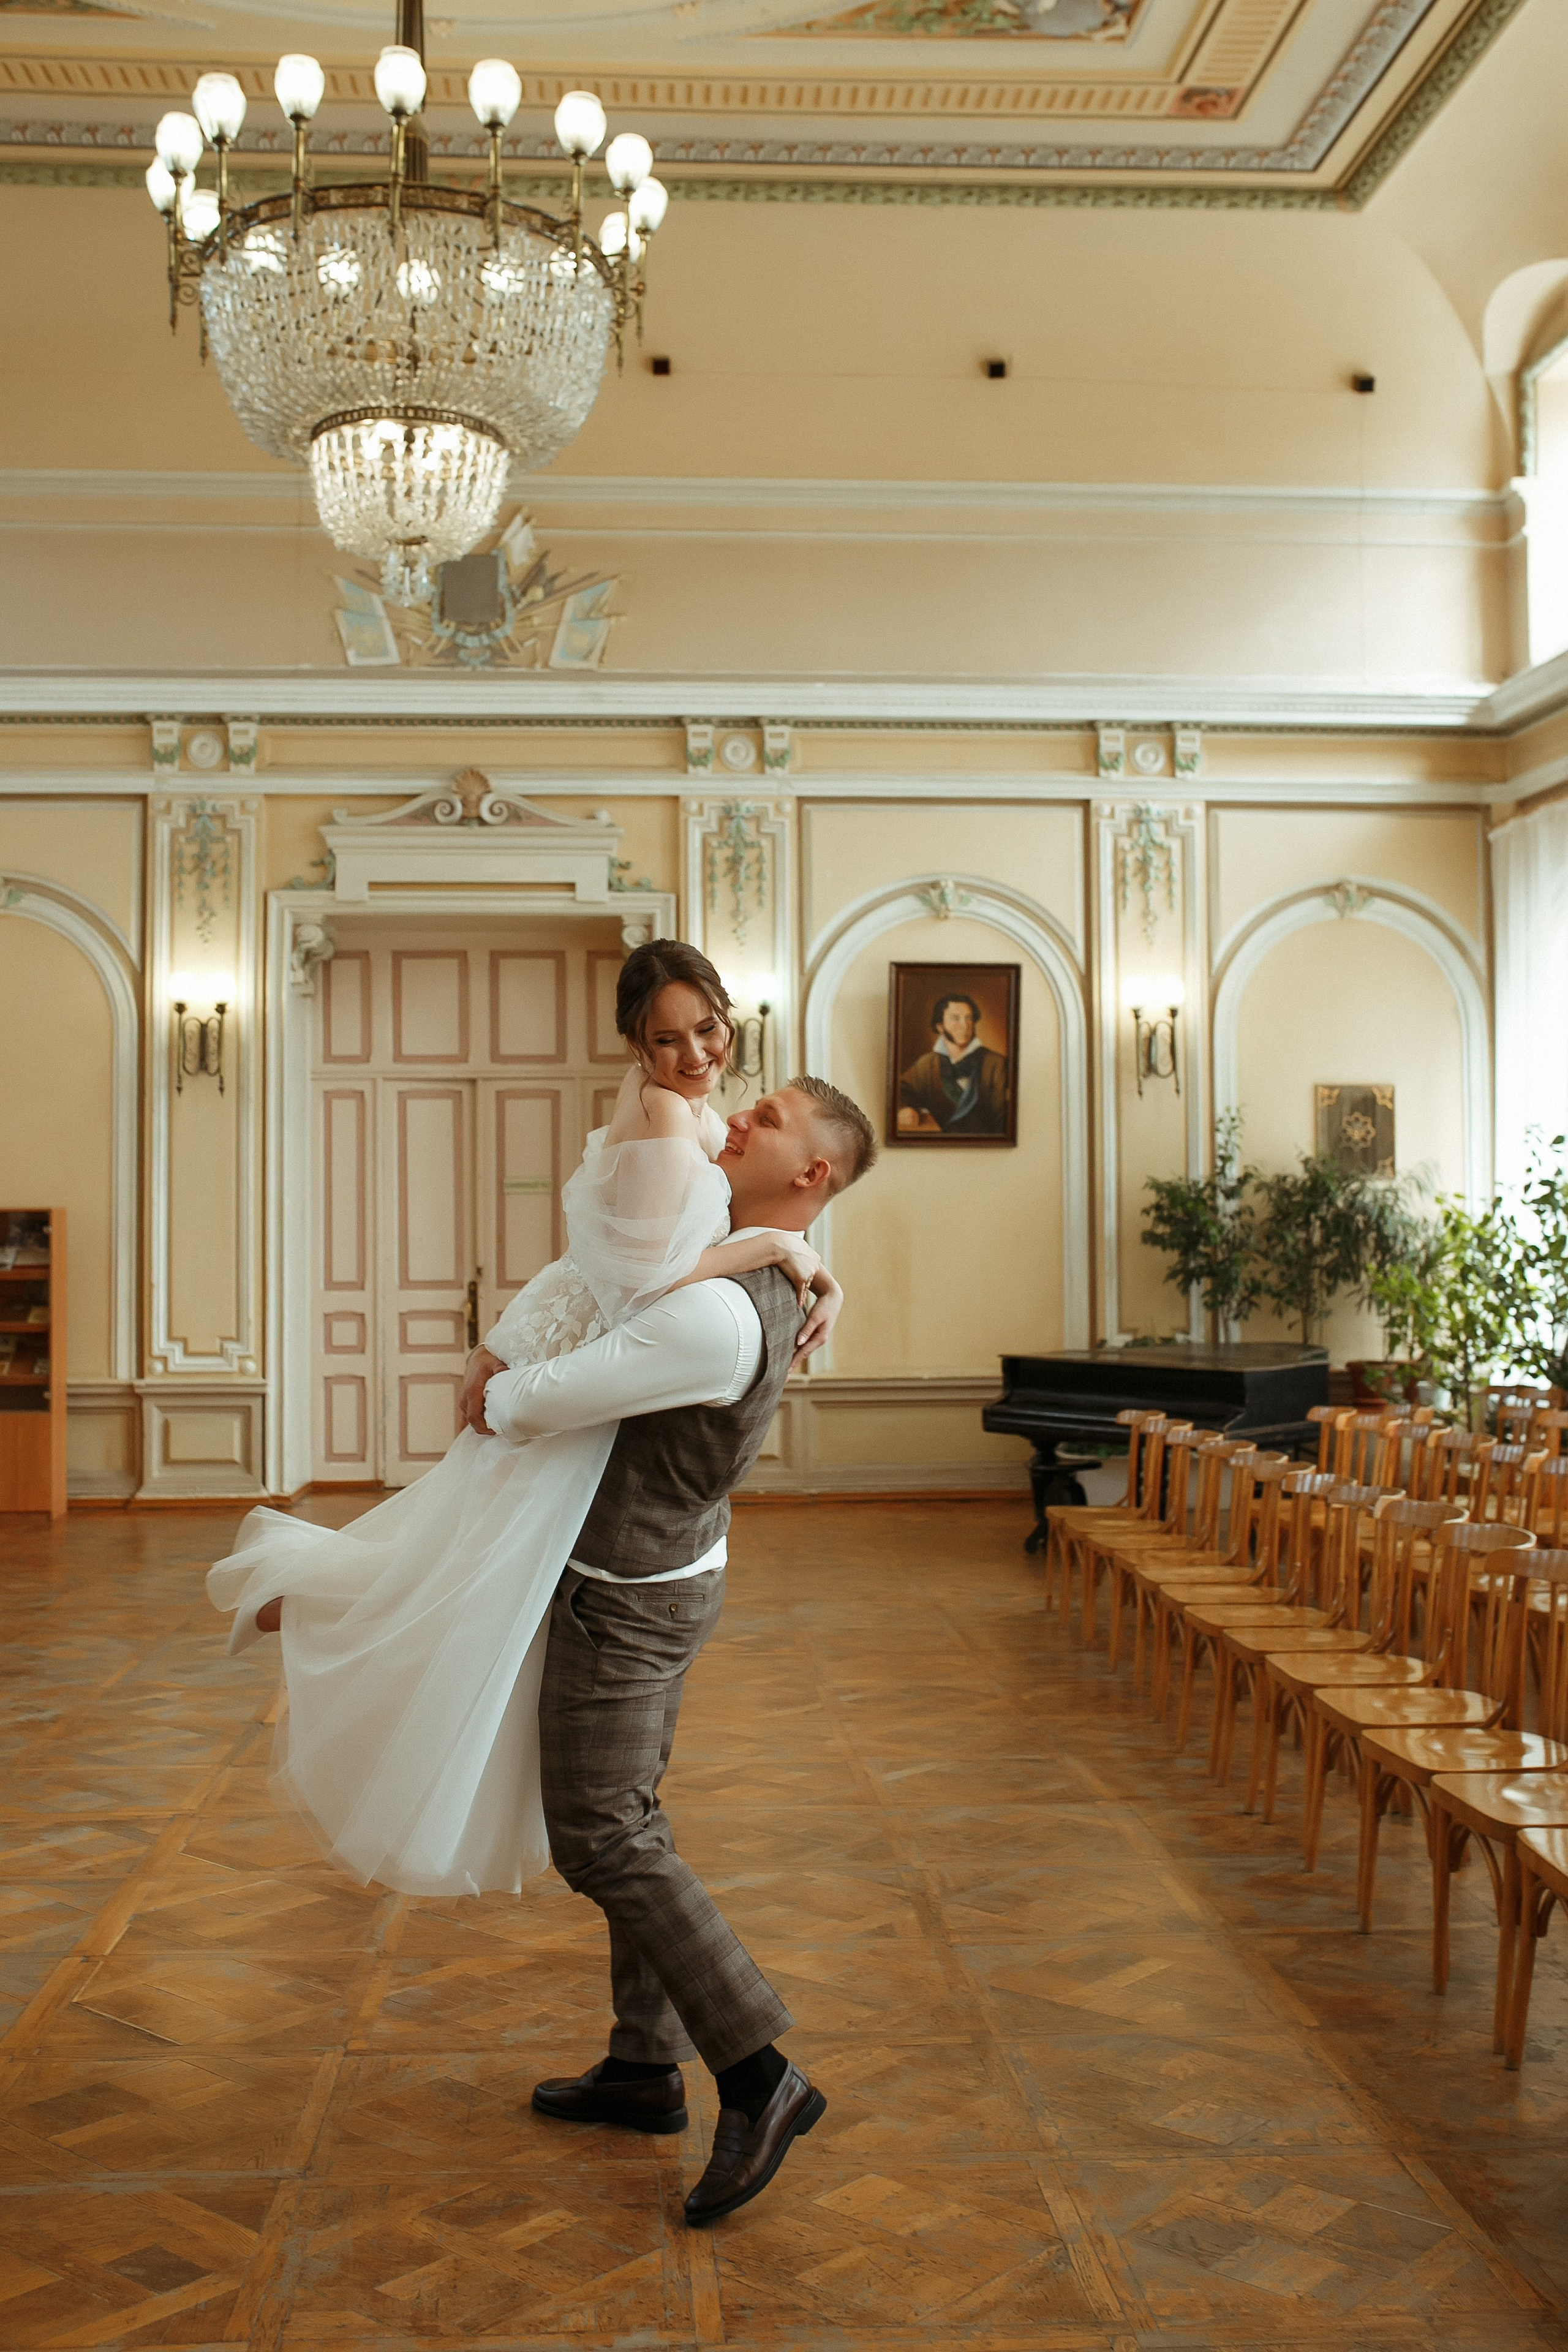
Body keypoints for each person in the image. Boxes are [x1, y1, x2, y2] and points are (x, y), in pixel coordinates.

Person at [205, 941, 841, 1902]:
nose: (695, 1055)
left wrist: (812, 1261)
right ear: (636, 1045)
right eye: (666, 1041)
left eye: (706, 1030)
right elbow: (648, 1286)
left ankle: (315, 1599)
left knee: (481, 1560)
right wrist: (773, 1246)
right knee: (486, 1574)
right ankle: (316, 1605)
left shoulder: (685, 1113)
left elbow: (611, 1256)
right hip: (578, 1370)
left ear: (726, 1014)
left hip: (569, 1347)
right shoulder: (670, 1119)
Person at [461, 1069, 879, 2227]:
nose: (738, 1115)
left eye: (769, 1119)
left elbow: (537, 1400)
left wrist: (494, 1383)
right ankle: (645, 2066)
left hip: (629, 1598)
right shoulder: (752, 1268)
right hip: (666, 1573)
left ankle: (758, 2072)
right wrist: (795, 1253)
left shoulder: (718, 1309)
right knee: (632, 1818)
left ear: (812, 1173)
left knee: (603, 1836)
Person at [896, 991, 1009, 1136]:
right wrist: (905, 1109)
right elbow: (900, 1092)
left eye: (969, 1018)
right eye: (956, 1019)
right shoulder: (926, 1065)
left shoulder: (996, 1064)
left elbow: (1004, 1120)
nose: (965, 1026)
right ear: (940, 1026)